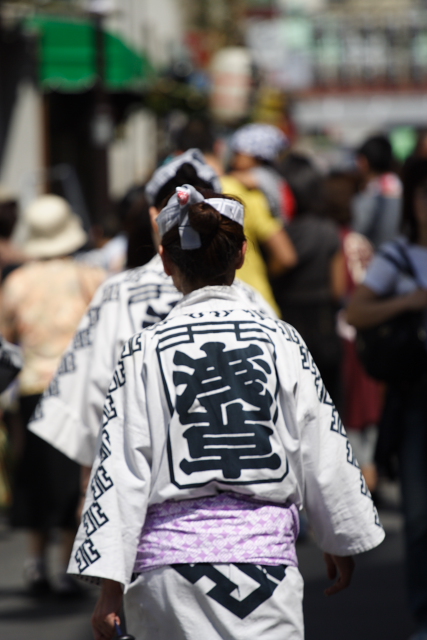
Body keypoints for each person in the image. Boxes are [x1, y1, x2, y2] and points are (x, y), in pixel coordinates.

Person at [68, 184, 384, 640]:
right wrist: (336, 536)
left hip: (168, 572)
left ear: (165, 259)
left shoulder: (146, 349)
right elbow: (321, 442)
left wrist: (110, 586)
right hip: (265, 570)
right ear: (241, 255)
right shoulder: (281, 340)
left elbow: (122, 466)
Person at [29, 150, 276, 473]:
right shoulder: (251, 301)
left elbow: (89, 395)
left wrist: (93, 487)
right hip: (239, 473)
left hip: (134, 474)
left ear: (153, 217)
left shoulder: (117, 293)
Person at [0, 194, 106, 595]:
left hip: (31, 389)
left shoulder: (17, 281)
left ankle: (34, 563)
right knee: (72, 476)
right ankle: (66, 566)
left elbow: (5, 338)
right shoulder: (89, 277)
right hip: (77, 388)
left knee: (34, 477)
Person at [347, 157, 427, 640]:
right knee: (418, 517)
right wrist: (411, 302)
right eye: (423, 194)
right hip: (418, 398)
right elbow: (356, 313)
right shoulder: (396, 257)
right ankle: (424, 613)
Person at [271, 157, 345, 409]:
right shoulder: (329, 230)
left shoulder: (281, 234)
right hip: (324, 327)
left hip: (287, 326)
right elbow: (339, 289)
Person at [352, 134, 402, 249]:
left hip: (377, 258)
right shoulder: (400, 185)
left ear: (364, 161)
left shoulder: (371, 192)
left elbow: (358, 229)